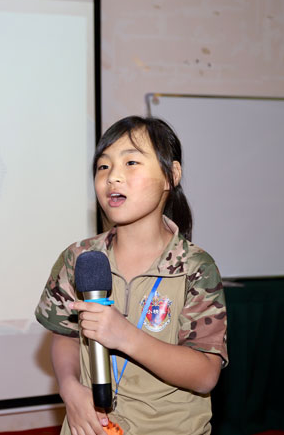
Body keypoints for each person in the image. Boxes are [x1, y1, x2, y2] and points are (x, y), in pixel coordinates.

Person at [35, 116, 228, 435]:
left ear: (171, 175)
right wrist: (69, 388)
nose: (113, 177)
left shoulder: (195, 267)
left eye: (131, 162)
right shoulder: (80, 257)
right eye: (103, 166)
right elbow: (64, 335)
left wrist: (124, 336)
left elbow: (205, 374)